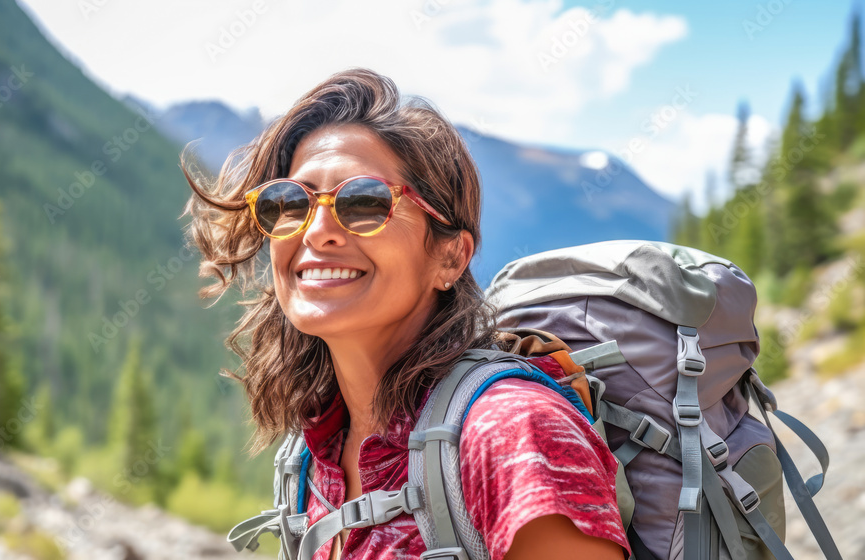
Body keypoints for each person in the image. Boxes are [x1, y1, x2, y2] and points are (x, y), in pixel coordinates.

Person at [183, 68, 630, 560]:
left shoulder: (511, 431)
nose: (317, 231)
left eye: (365, 202)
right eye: (291, 203)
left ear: (450, 257)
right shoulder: (312, 454)